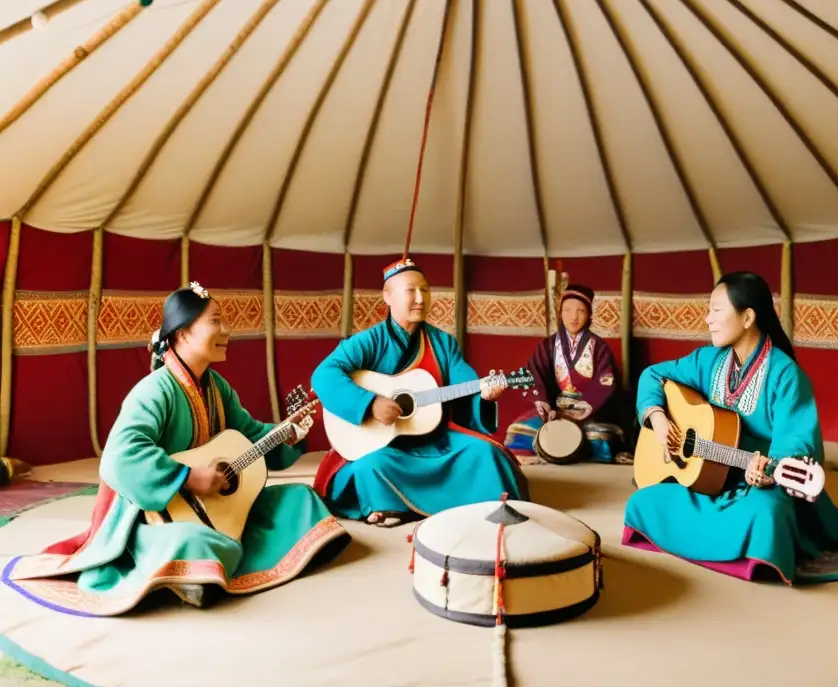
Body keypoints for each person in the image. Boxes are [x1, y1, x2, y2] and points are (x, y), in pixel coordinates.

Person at [2, 282, 351, 616]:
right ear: (183, 333)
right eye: (216, 321)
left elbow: (249, 435)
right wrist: (186, 477)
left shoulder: (217, 387)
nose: (227, 329)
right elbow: (120, 455)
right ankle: (197, 564)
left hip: (217, 509)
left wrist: (286, 434)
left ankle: (204, 570)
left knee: (300, 500)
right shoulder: (154, 390)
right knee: (194, 540)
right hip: (151, 516)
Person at [623, 271, 838, 584]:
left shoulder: (785, 375)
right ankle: (726, 546)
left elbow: (798, 440)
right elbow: (653, 376)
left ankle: (729, 546)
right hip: (710, 479)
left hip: (759, 484)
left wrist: (769, 469)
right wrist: (658, 419)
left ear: (747, 316)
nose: (707, 318)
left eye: (716, 309)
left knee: (768, 516)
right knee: (642, 502)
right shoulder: (708, 361)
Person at [311, 258, 529, 528]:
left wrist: (484, 396)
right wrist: (369, 404)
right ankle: (395, 503)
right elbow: (324, 375)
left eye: (425, 290)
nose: (420, 298)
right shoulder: (370, 341)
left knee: (486, 454)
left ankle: (401, 504)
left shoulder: (443, 343)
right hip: (386, 445)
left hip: (436, 438)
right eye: (410, 290)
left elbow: (467, 384)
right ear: (387, 296)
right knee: (370, 466)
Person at [504, 284, 634, 464]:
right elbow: (535, 374)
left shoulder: (599, 347)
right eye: (567, 310)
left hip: (590, 411)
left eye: (580, 310)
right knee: (519, 430)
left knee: (599, 436)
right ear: (560, 313)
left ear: (589, 315)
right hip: (555, 410)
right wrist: (545, 405)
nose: (574, 316)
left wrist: (583, 407)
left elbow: (606, 381)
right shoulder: (548, 346)